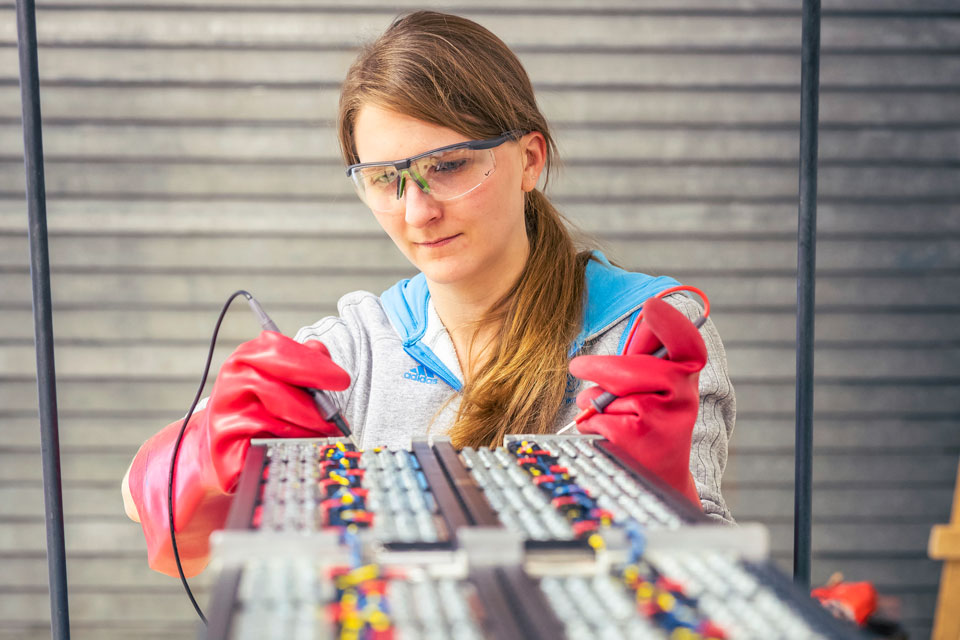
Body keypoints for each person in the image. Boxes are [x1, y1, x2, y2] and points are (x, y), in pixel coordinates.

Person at [121, 10, 736, 578]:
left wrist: (666, 504)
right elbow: (131, 494)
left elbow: (717, 580)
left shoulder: (642, 338)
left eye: (448, 165)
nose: (417, 212)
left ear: (529, 159)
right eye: (385, 179)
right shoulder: (353, 352)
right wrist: (203, 452)